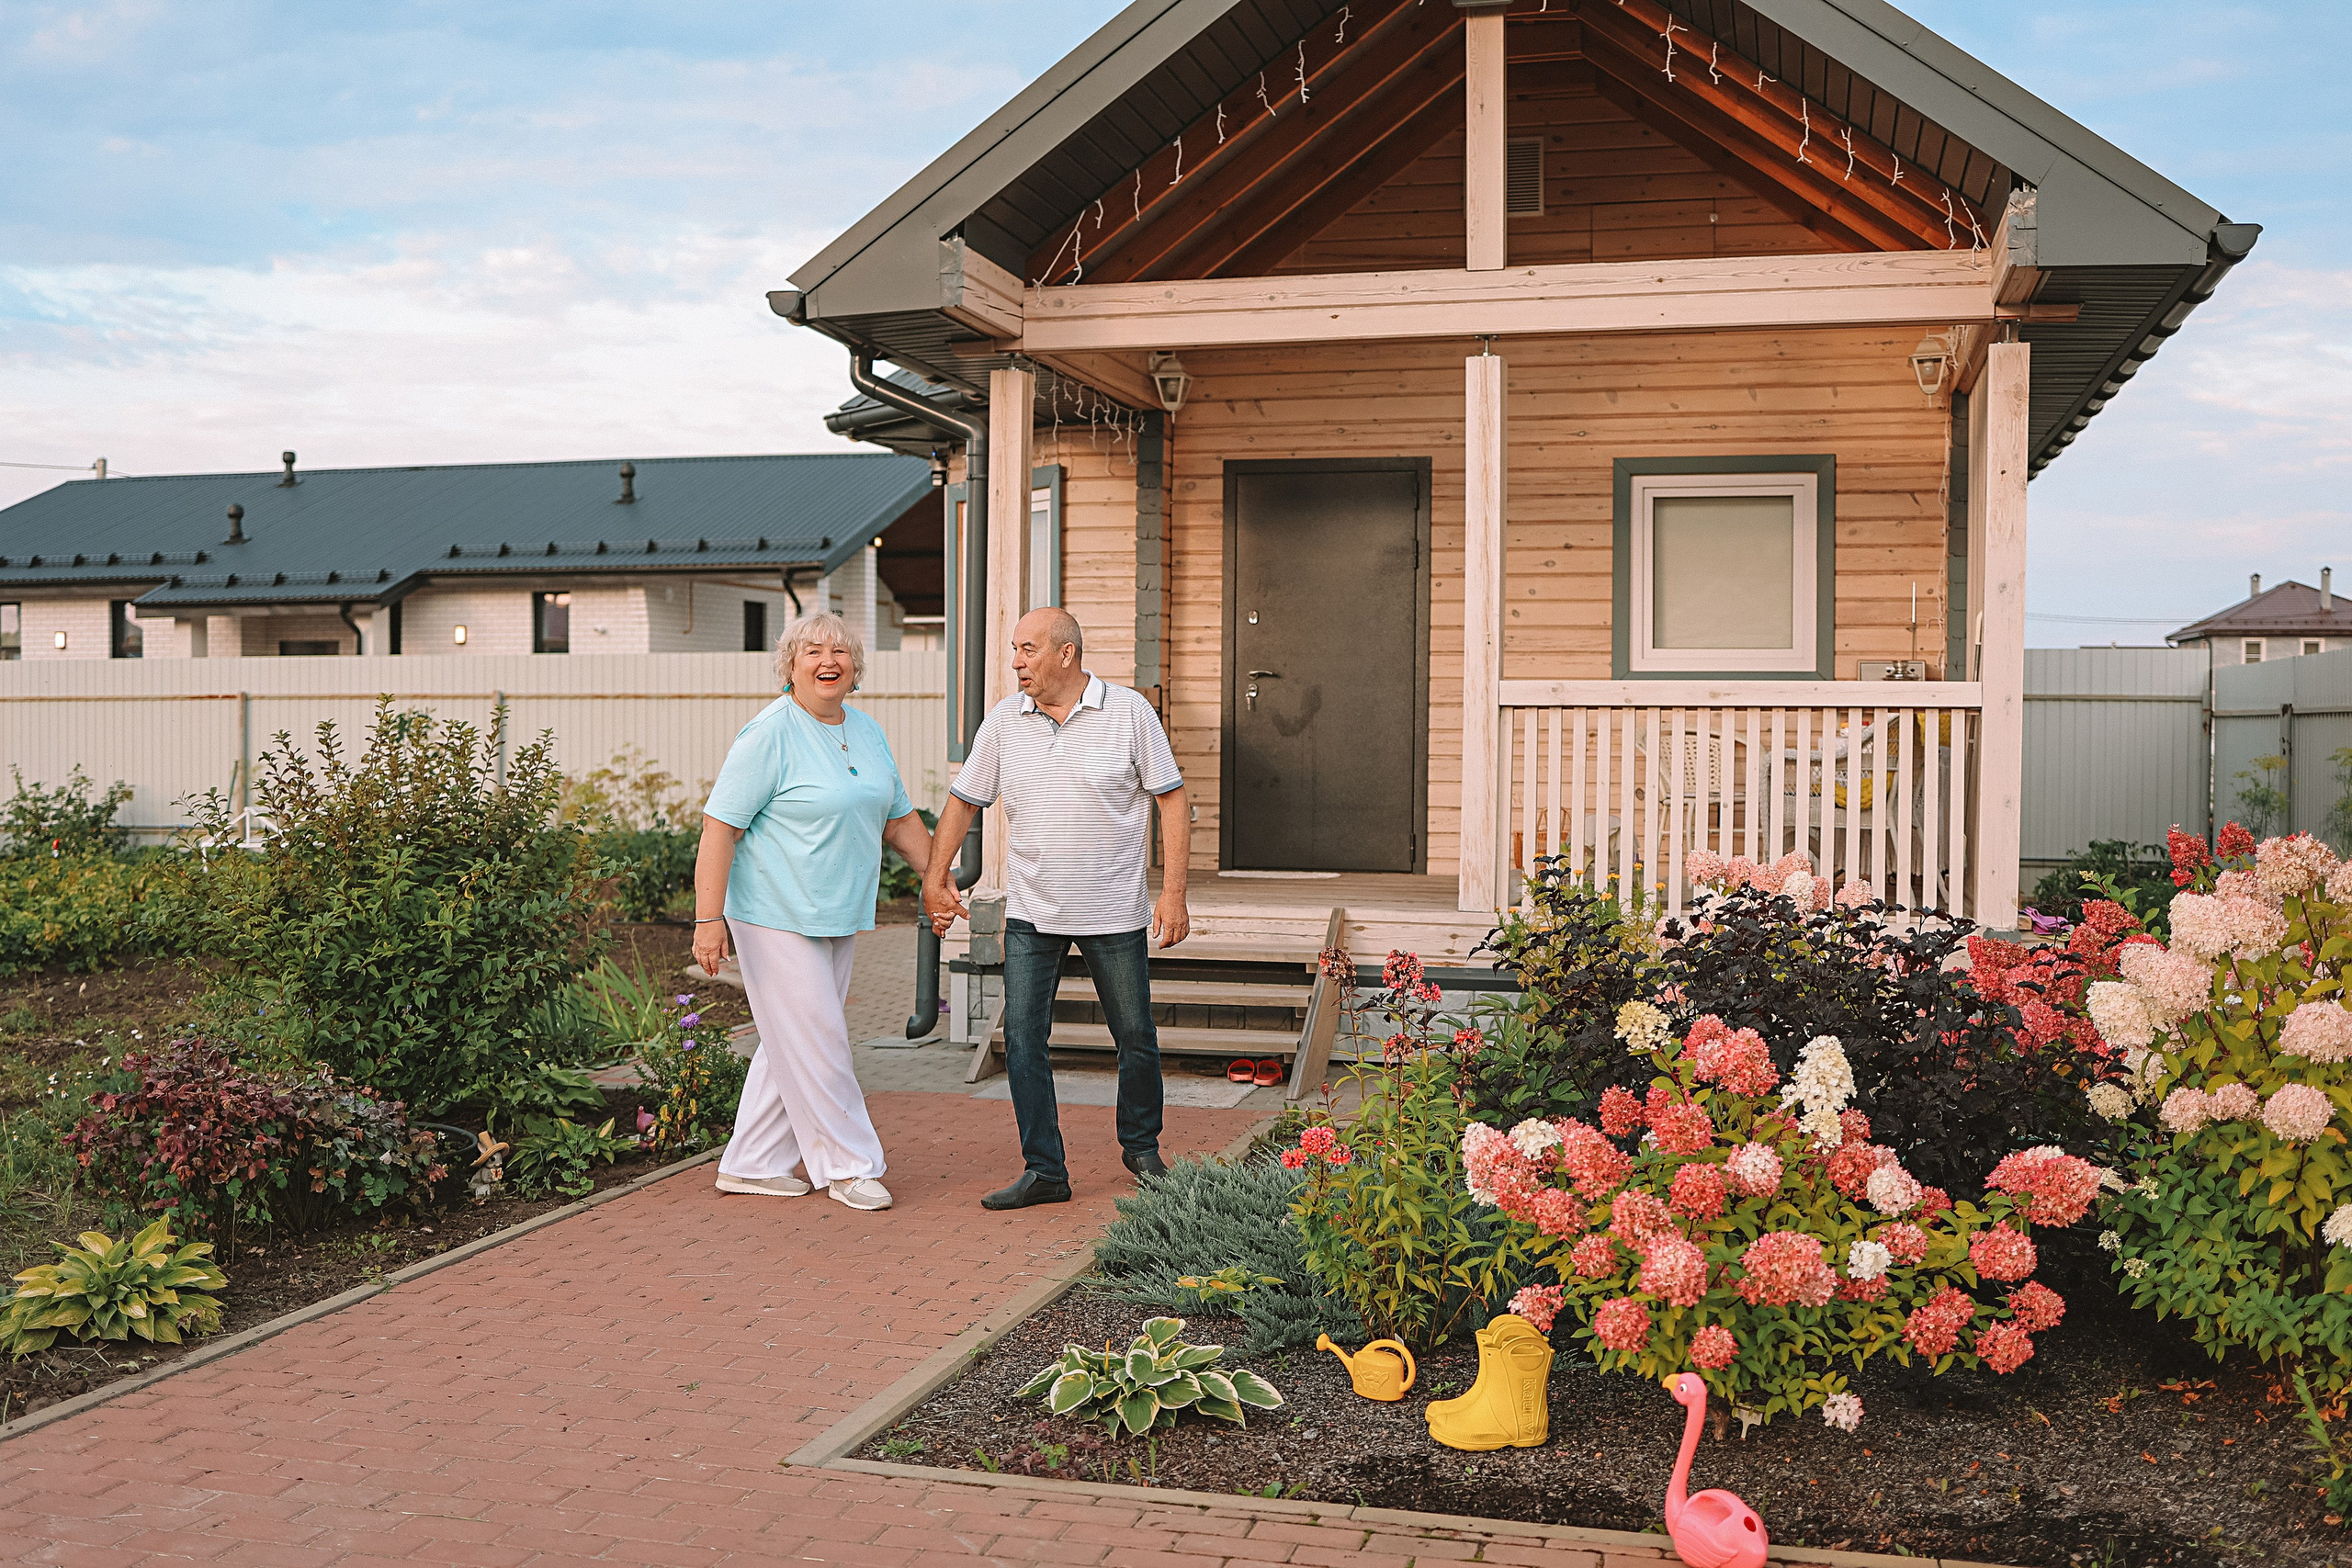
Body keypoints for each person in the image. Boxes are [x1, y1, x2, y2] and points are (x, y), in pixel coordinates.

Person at [923, 607, 1190, 1210]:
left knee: (1135, 1037)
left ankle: (1142, 1147)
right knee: (1022, 1039)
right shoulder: (1004, 721)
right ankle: (1045, 1169)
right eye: (1015, 649)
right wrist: (935, 877)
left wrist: (1172, 892)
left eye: (1027, 649)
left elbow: (1171, 799)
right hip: (1032, 911)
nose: (1016, 661)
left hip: (1114, 911)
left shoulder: (1127, 713)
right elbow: (964, 802)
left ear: (1065, 654)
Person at [694, 610, 933, 1212]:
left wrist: (940, 880)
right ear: (790, 666)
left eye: (841, 652)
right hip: (774, 912)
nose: (829, 661)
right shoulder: (770, 733)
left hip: (837, 910)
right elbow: (719, 828)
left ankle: (751, 1162)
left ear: (856, 667)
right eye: (813, 652)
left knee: (791, 1039)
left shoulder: (866, 730)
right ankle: (849, 1166)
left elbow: (900, 818)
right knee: (820, 1037)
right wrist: (707, 918)